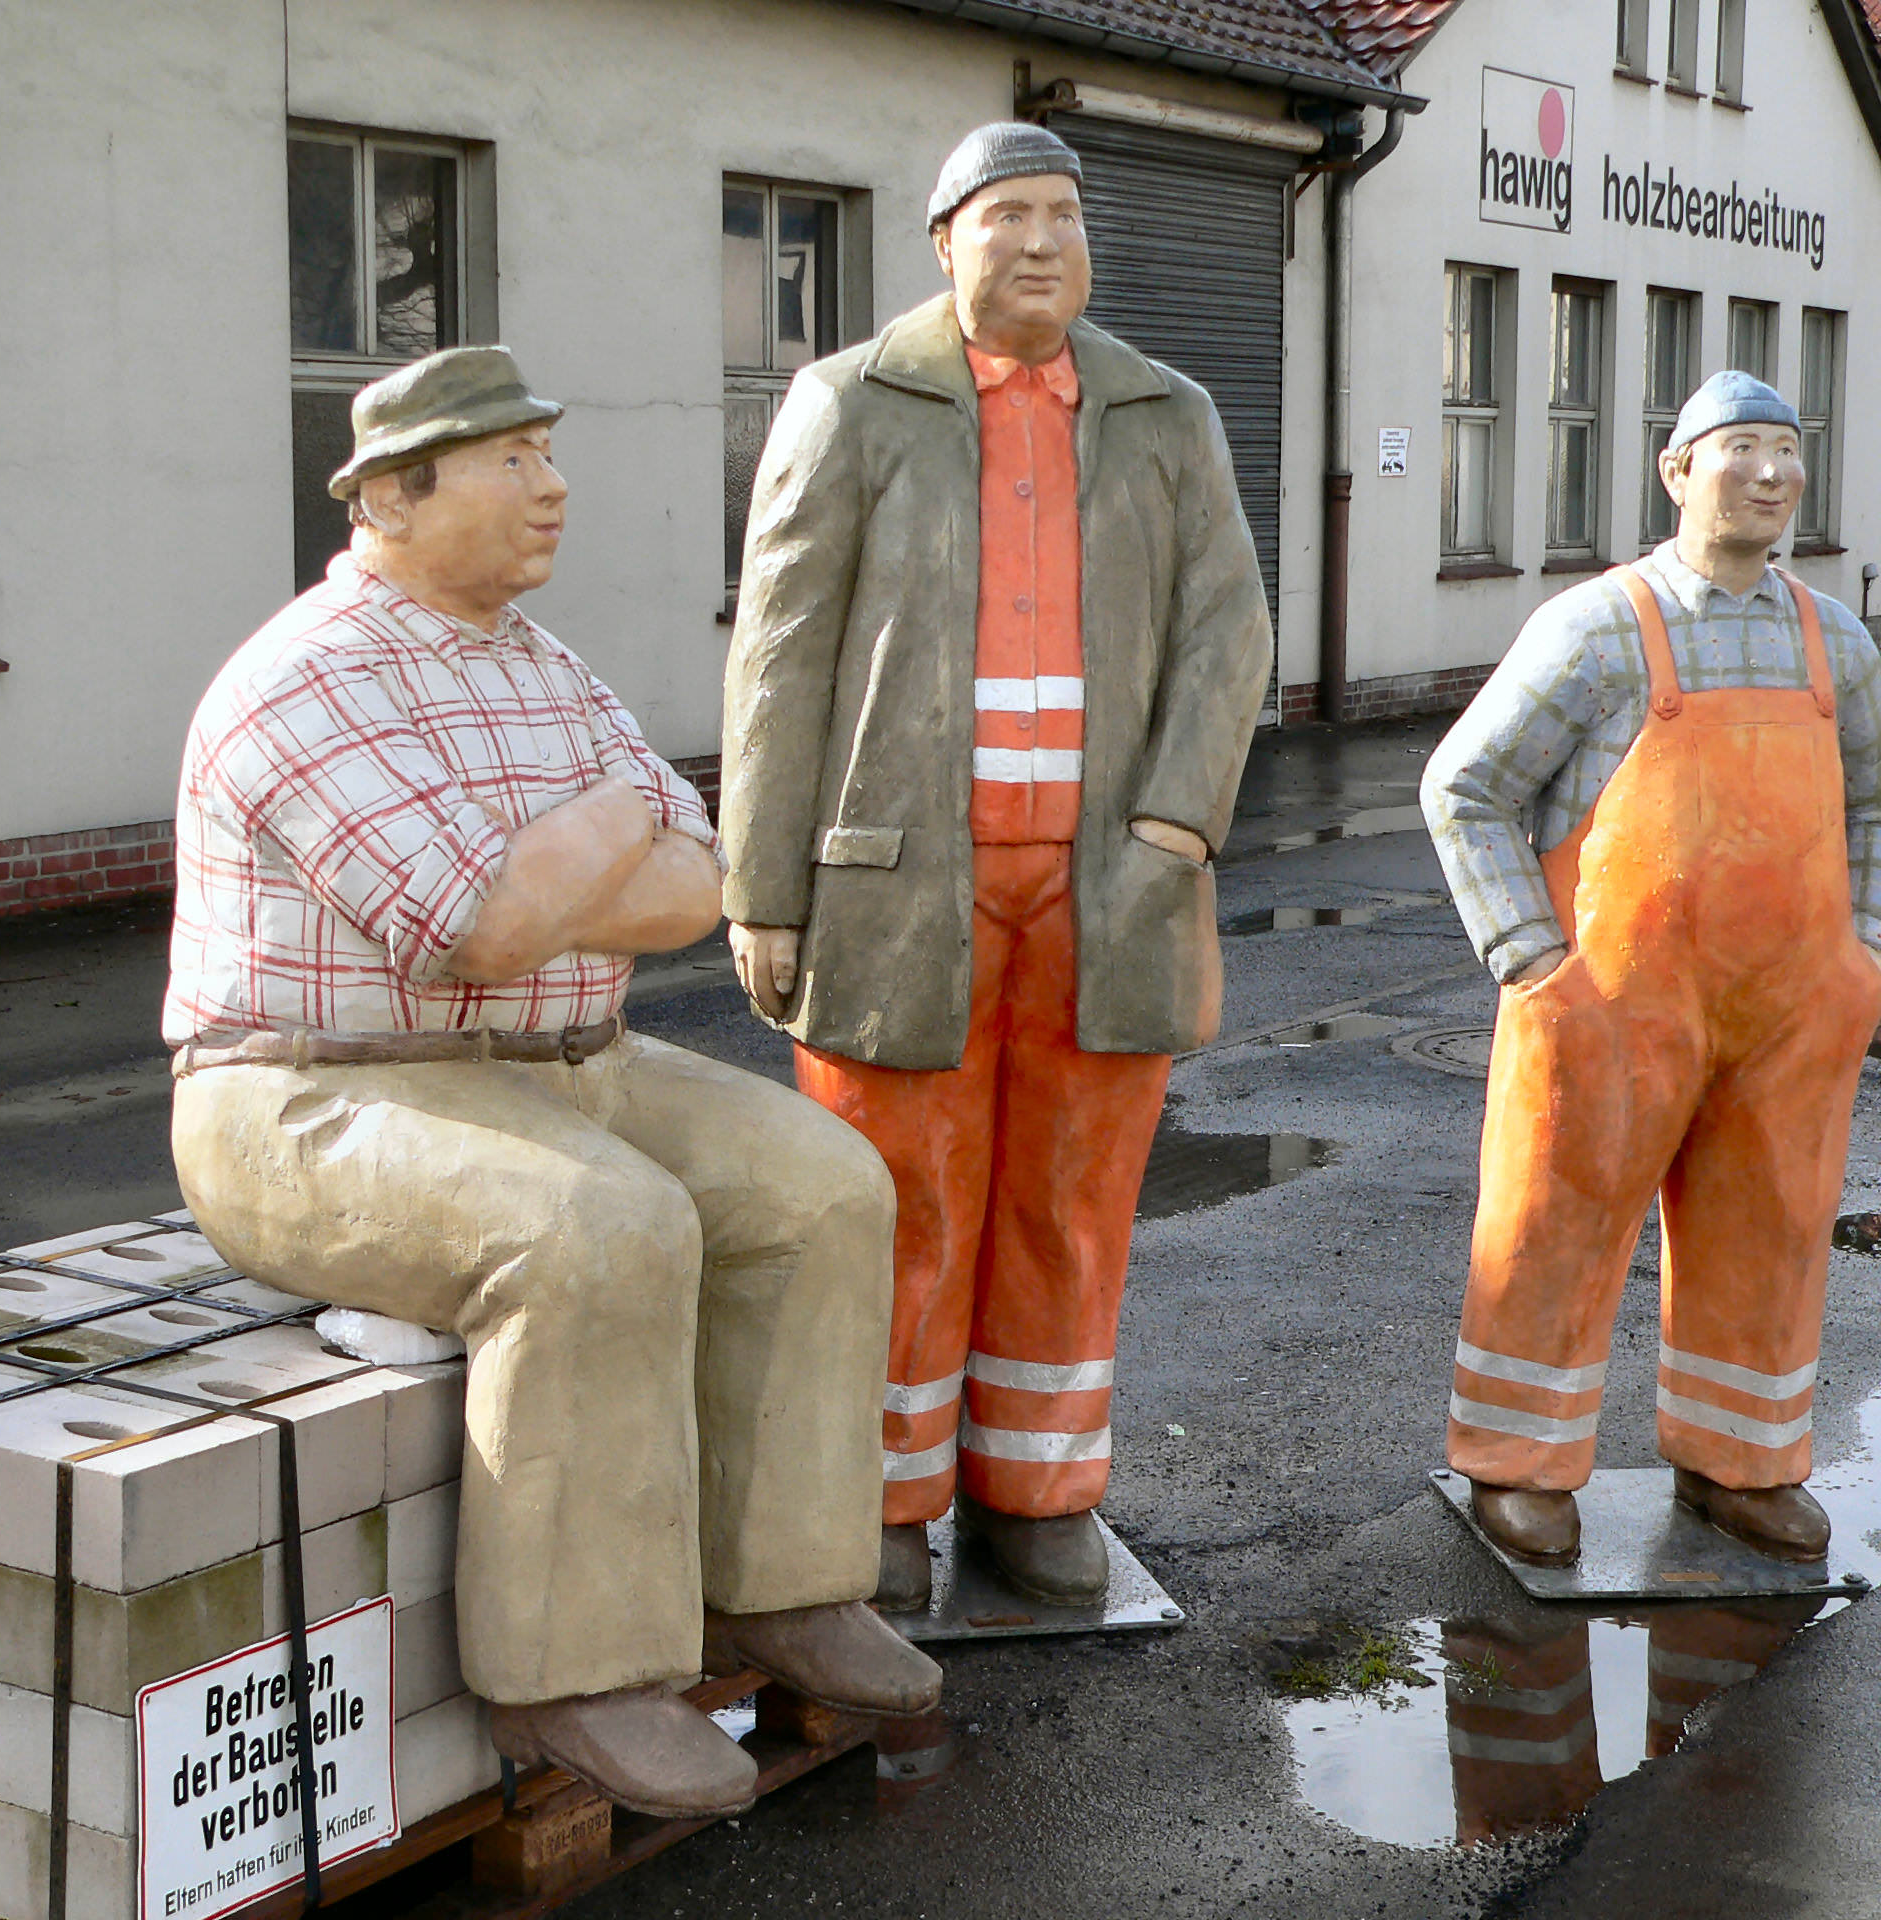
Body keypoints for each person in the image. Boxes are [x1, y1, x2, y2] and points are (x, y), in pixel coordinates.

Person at [163, 345, 938, 1820]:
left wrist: (571, 858)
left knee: (823, 1187)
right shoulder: (307, 679)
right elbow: (479, 929)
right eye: (510, 461)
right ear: (394, 497)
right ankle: (575, 1670)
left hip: (569, 1063)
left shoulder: (540, 662)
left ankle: (785, 1583)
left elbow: (699, 881)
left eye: (546, 455)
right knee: (592, 1229)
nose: (553, 487)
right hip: (318, 1097)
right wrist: (607, 830)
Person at [720, 123, 1272, 1610]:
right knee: (894, 1202)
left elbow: (1230, 629)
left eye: (1064, 215)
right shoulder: (851, 404)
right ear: (945, 239)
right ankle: (882, 1503)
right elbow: (778, 655)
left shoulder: (1165, 412)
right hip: (895, 886)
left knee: (1072, 1200)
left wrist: (1175, 825)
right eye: (1009, 213)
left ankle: (1040, 1492)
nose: (1041, 241)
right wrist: (761, 890)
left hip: (1108, 888)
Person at [1421, 370, 1881, 1567]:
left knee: (1772, 1226)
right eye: (1740, 448)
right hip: (1608, 1002)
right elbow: (1464, 787)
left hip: (1789, 1010)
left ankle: (1740, 1464)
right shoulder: (1596, 627)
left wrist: (1865, 954)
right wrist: (1530, 961)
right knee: (1555, 1223)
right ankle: (1518, 1466)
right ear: (1677, 471)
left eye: (1785, 449)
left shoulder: (1833, 640)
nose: (1769, 474)